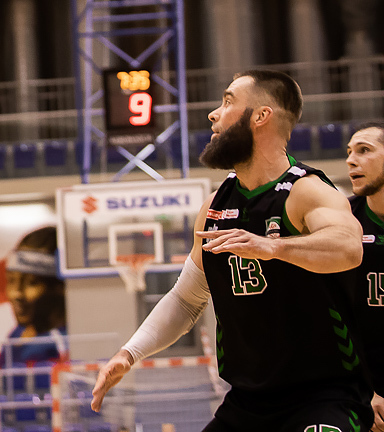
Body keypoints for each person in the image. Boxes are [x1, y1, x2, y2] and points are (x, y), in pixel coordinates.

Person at [92, 69, 371, 432]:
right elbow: (186, 300)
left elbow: (349, 247)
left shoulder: (307, 190)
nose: (213, 114)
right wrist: (130, 353)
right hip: (247, 402)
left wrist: (273, 246)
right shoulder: (215, 206)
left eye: (227, 102)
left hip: (323, 396)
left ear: (261, 115)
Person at [345, 122, 384, 432]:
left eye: (364, 150)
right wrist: (365, 391)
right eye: (349, 152)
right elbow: (330, 318)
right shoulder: (343, 222)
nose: (350, 160)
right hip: (360, 390)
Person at [3, 226, 67, 367]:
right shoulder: (16, 335)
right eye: (11, 281)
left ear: (60, 287)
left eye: (32, 283)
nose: (16, 293)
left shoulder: (60, 344)